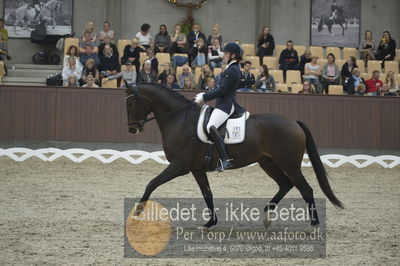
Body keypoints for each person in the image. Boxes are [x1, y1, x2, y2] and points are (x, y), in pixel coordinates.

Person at [194, 42, 246, 172]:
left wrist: (204, 97)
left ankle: (225, 159)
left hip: (225, 105)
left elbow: (222, 90)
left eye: (227, 53)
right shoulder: (232, 68)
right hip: (224, 103)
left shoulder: (232, 70)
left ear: (233, 55)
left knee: (210, 127)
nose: (224, 55)